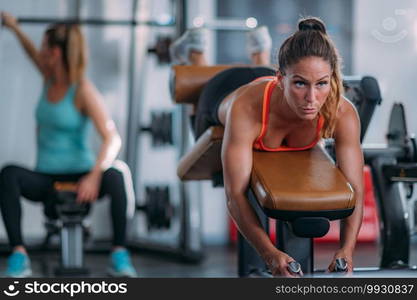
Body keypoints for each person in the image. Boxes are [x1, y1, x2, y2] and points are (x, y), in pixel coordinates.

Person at [170, 18, 364, 277]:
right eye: (300, 83)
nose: (311, 98)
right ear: (282, 79)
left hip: (266, 82)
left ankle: (260, 51)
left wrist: (346, 250)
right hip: (223, 90)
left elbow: (356, 189)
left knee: (268, 74)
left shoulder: (342, 112)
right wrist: (270, 254)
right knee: (200, 101)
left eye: (321, 83)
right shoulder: (246, 110)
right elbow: (235, 195)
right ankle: (195, 51)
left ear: (331, 79)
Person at [0, 11, 137, 278]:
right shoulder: (48, 79)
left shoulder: (82, 90)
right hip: (45, 177)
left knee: (118, 174)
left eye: (44, 47)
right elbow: (30, 53)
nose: (40, 51)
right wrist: (15, 28)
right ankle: (19, 255)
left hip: (82, 175)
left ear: (56, 53)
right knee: (8, 175)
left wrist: (94, 176)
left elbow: (112, 137)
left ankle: (119, 254)